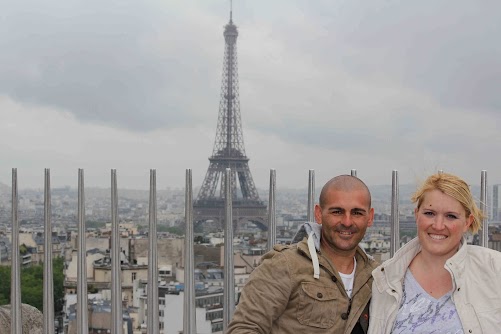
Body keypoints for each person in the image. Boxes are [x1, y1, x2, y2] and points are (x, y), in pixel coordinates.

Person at [226, 175, 378, 334]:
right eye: (337, 211)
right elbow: (243, 329)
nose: (347, 222)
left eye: (357, 213)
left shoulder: (378, 276)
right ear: (319, 214)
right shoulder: (283, 265)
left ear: (370, 217)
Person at [369, 172, 501, 334]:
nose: (438, 225)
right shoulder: (386, 278)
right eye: (430, 213)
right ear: (417, 215)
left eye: (451, 216)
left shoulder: (494, 269)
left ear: (468, 222)